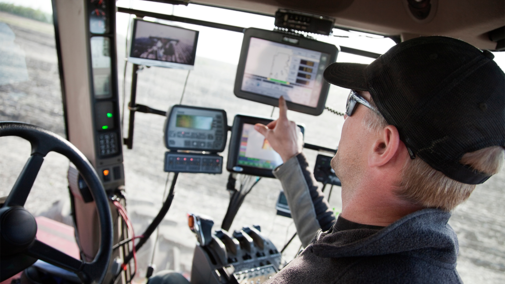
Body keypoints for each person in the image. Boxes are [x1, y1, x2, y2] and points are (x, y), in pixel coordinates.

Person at [254, 36, 505, 283]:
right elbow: (334, 243)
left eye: (354, 102)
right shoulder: (422, 258)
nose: (344, 117)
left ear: (383, 145)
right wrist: (292, 157)